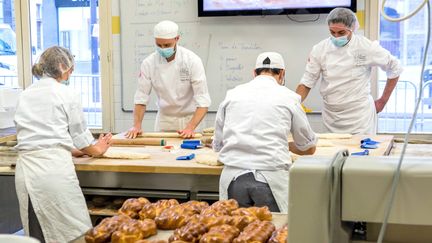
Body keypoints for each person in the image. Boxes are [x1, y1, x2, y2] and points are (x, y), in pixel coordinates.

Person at [14, 46, 113, 243]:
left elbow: (39, 136)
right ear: (61, 66)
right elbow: (81, 137)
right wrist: (98, 149)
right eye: (70, 68)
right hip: (52, 172)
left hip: (25, 170)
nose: (71, 72)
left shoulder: (26, 93)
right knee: (74, 232)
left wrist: (69, 150)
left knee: (37, 233)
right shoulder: (66, 94)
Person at [213, 52, 317, 213]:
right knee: (273, 232)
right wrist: (286, 145)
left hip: (233, 178)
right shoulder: (290, 97)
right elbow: (308, 147)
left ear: (254, 73)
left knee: (234, 232)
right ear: (282, 73)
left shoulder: (232, 95)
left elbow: (218, 146)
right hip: (270, 179)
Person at [296, 7, 403, 135]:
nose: (336, 37)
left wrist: (382, 101)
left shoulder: (366, 47)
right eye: (332, 32)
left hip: (360, 117)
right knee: (333, 153)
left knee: (362, 153)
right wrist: (292, 105)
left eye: (341, 33)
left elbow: (395, 67)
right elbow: (307, 81)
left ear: (352, 29)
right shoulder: (320, 49)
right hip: (332, 116)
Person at [126, 20, 211, 139]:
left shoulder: (192, 61)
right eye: (159, 45)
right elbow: (141, 97)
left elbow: (203, 101)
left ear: (177, 39)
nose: (162, 48)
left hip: (191, 119)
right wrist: (136, 125)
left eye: (166, 45)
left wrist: (190, 127)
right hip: (165, 120)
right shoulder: (149, 63)